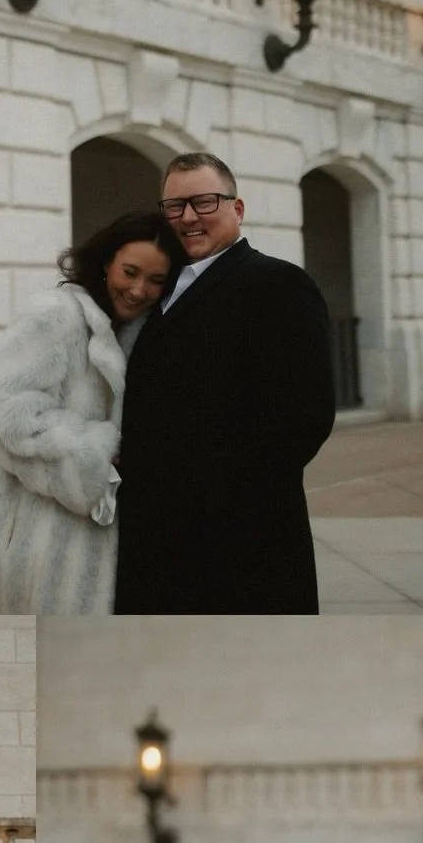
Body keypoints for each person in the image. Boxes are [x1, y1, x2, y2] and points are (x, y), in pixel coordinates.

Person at [113, 152, 335, 613]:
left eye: (204, 202)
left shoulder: (278, 284)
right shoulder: (159, 288)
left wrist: (205, 500)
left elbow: (303, 420)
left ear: (237, 209)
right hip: (153, 540)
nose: (188, 217)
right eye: (174, 206)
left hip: (237, 545)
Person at [0, 211, 184, 613]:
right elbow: (2, 408)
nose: (138, 289)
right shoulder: (56, 315)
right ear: (107, 261)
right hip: (34, 534)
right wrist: (92, 453)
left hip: (89, 538)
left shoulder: (138, 332)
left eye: (155, 280)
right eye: (129, 272)